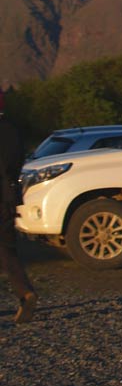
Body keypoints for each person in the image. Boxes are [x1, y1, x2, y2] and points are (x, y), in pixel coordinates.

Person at [0, 100, 37, 323]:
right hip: (9, 198)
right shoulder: (13, 130)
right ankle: (25, 292)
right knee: (7, 250)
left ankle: (26, 293)